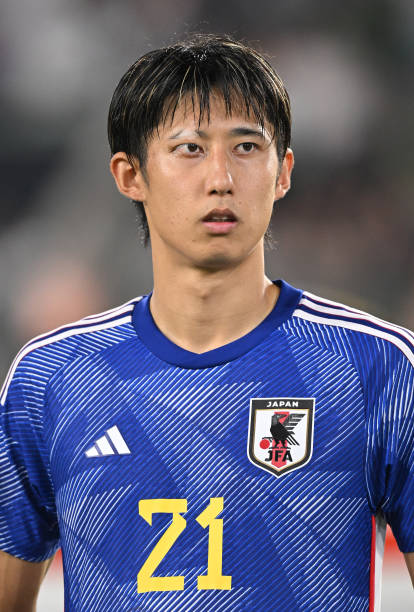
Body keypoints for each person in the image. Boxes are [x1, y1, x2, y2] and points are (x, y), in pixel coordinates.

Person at [0, 34, 413, 612]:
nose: (221, 177)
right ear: (129, 175)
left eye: (246, 147)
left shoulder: (377, 369)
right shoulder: (51, 379)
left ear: (283, 172)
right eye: (189, 149)